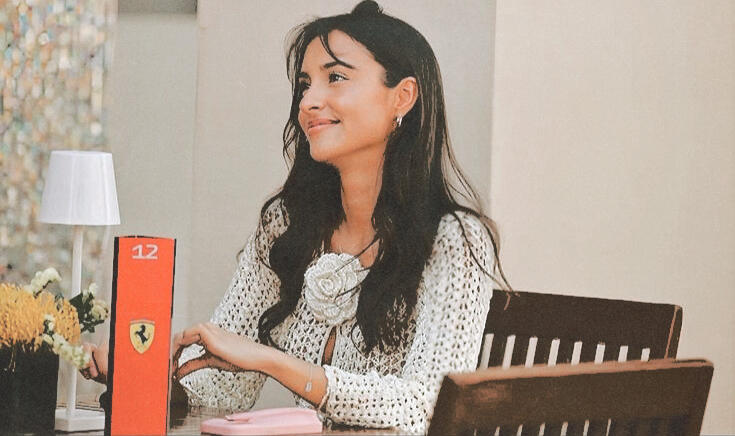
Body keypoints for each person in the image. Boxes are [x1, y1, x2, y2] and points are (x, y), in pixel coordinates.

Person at [81, 1, 510, 433]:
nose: (308, 101)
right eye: (305, 85)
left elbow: (424, 407)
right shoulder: (286, 225)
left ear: (402, 97)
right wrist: (142, 375)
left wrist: (272, 361)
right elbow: (219, 389)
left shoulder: (455, 239)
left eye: (335, 77)